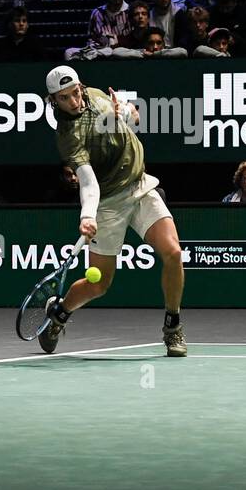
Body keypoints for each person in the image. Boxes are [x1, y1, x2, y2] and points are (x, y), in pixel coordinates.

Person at [40, 65, 186, 357]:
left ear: (82, 86)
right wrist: (88, 215)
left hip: (140, 185)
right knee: (100, 284)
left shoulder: (96, 96)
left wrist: (128, 115)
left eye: (75, 92)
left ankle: (172, 327)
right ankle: (59, 312)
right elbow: (88, 182)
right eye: (64, 98)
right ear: (53, 101)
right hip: (107, 203)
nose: (74, 101)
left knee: (173, 253)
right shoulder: (68, 136)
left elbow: (133, 122)